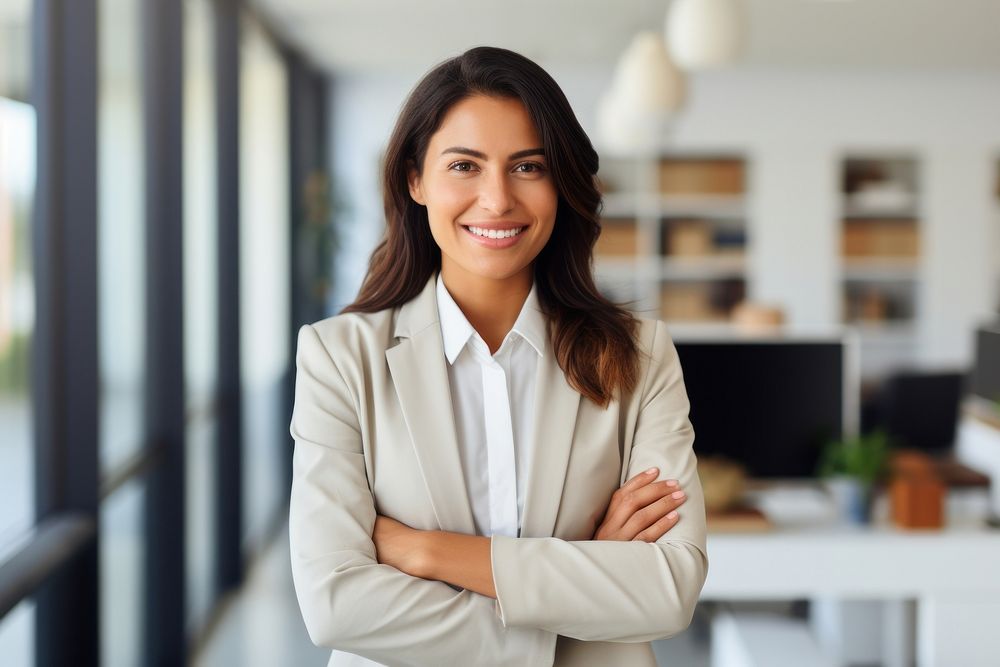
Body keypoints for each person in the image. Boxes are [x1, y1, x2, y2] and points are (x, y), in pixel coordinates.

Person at [288, 45, 708, 667]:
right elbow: (335, 604)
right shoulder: (339, 359)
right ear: (415, 178)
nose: (497, 199)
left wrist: (428, 553)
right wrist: (581, 590)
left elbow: (668, 590)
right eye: (464, 165)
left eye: (528, 166)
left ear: (560, 183)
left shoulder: (640, 357)